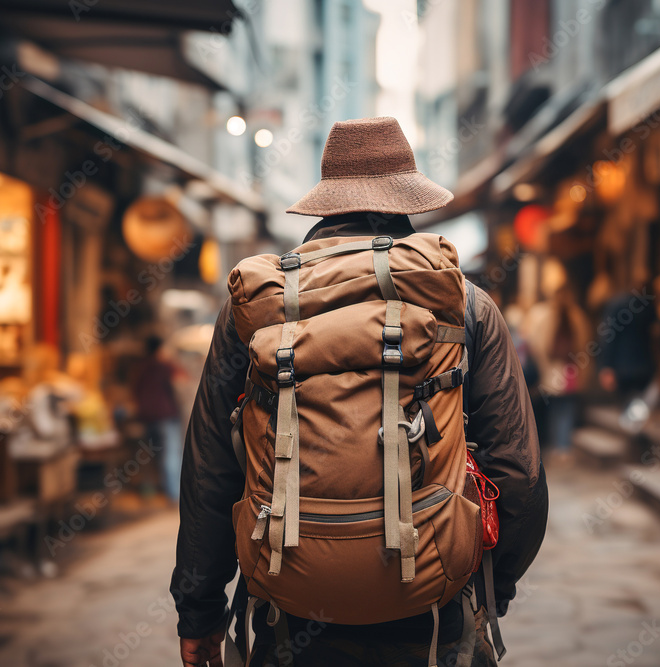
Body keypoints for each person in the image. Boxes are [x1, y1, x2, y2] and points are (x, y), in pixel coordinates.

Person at [172, 117, 548, 667]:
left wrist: (199, 612)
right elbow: (519, 474)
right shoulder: (465, 304)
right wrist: (491, 587)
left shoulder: (256, 305)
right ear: (408, 202)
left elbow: (210, 469)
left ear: (326, 204)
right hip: (434, 621)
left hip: (289, 620)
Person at [526, 281, 592, 454]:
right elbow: (584, 344)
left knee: (556, 408)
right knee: (565, 408)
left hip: (555, 369)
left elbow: (538, 344)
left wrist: (542, 366)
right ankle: (562, 445)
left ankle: (558, 444)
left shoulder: (548, 315)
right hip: (569, 368)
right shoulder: (577, 316)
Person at [133, 334, 183, 503]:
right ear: (160, 348)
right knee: (170, 454)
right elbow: (179, 386)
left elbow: (135, 391)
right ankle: (174, 493)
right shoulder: (165, 367)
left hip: (146, 417)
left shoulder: (140, 368)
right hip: (166, 415)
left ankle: (150, 491)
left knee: (148, 455)